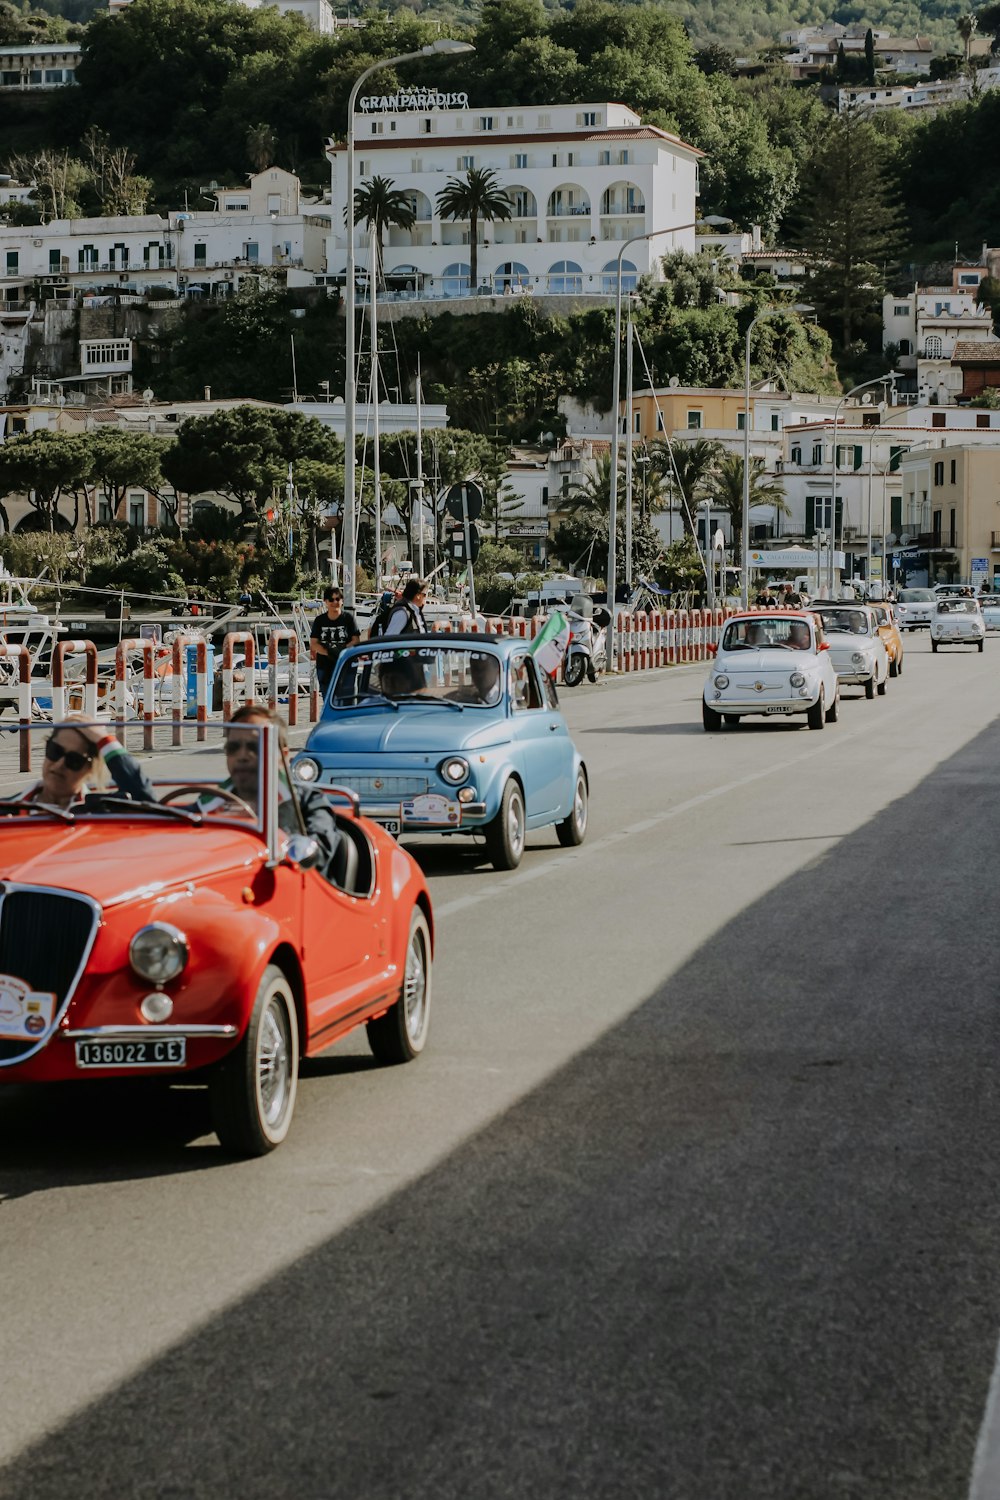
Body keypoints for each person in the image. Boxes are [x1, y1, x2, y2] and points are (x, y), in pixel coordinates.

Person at [217, 705, 342, 876]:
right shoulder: (213, 802)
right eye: (233, 748)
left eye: (255, 747)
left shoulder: (307, 800)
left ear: (282, 756)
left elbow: (320, 849)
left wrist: (298, 850)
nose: (242, 756)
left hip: (291, 885)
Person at [6, 716, 154, 810]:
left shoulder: (102, 811)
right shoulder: (5, 810)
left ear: (90, 769)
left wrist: (104, 739)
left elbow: (145, 801)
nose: (59, 765)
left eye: (74, 760)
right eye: (55, 751)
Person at [309, 585, 360, 699]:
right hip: (325, 667)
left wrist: (341, 651)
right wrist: (330, 652)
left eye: (338, 599)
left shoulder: (348, 618)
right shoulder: (319, 620)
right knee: (328, 699)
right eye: (331, 599)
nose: (335, 602)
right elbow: (314, 643)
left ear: (342, 601)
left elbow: (356, 640)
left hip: (346, 665)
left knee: (347, 700)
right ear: (326, 602)